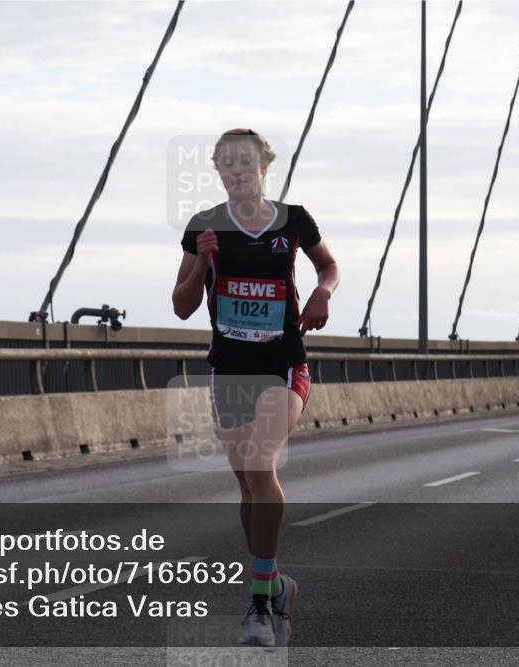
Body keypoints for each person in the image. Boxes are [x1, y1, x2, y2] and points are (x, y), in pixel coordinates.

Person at [172, 128, 339, 648]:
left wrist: (320, 293)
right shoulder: (205, 227)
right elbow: (181, 304)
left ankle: (260, 605)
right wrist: (202, 261)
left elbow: (328, 265)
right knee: (248, 486)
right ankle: (277, 583)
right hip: (230, 369)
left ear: (265, 167)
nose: (237, 170)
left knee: (261, 463)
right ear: (218, 172)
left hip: (283, 364)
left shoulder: (293, 220)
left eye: (246, 161)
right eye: (226, 164)